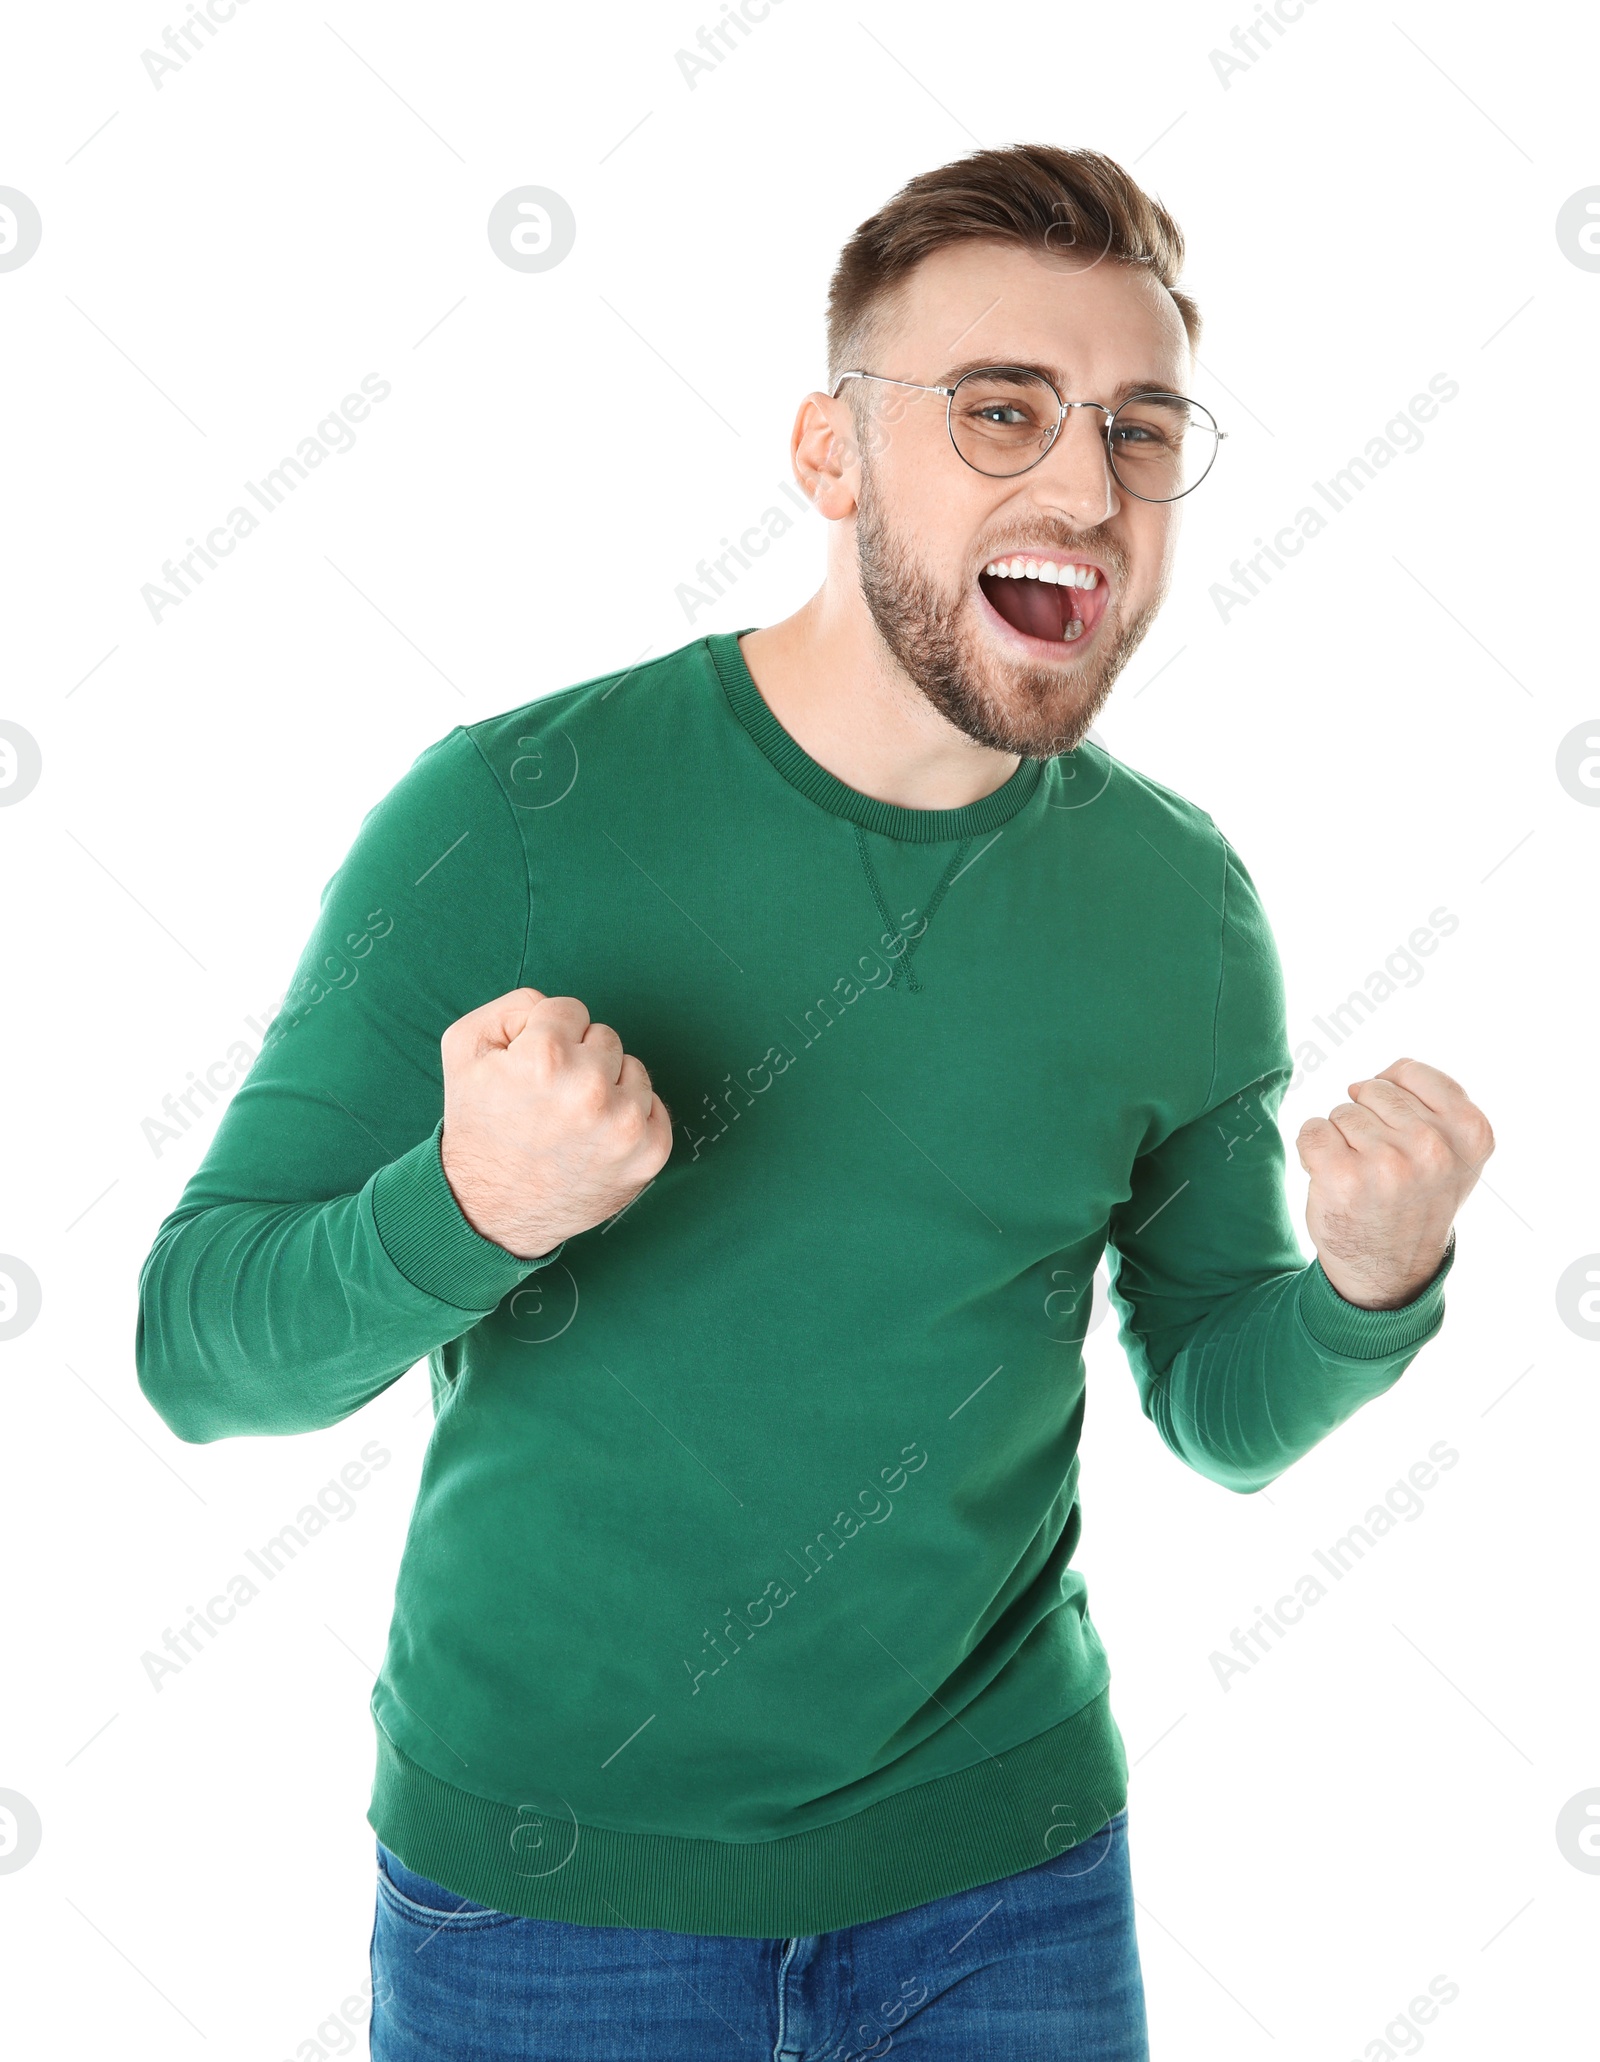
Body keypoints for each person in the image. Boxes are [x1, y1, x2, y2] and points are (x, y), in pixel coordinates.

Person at [136, 142, 1493, 2060]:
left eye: (1140, 428)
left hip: (1007, 1894)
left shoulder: (1175, 904)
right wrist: (469, 1200)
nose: (1086, 490)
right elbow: (197, 1349)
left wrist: (1365, 1288)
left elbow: (1220, 1405)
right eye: (999, 411)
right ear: (829, 454)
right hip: (549, 1905)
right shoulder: (512, 818)